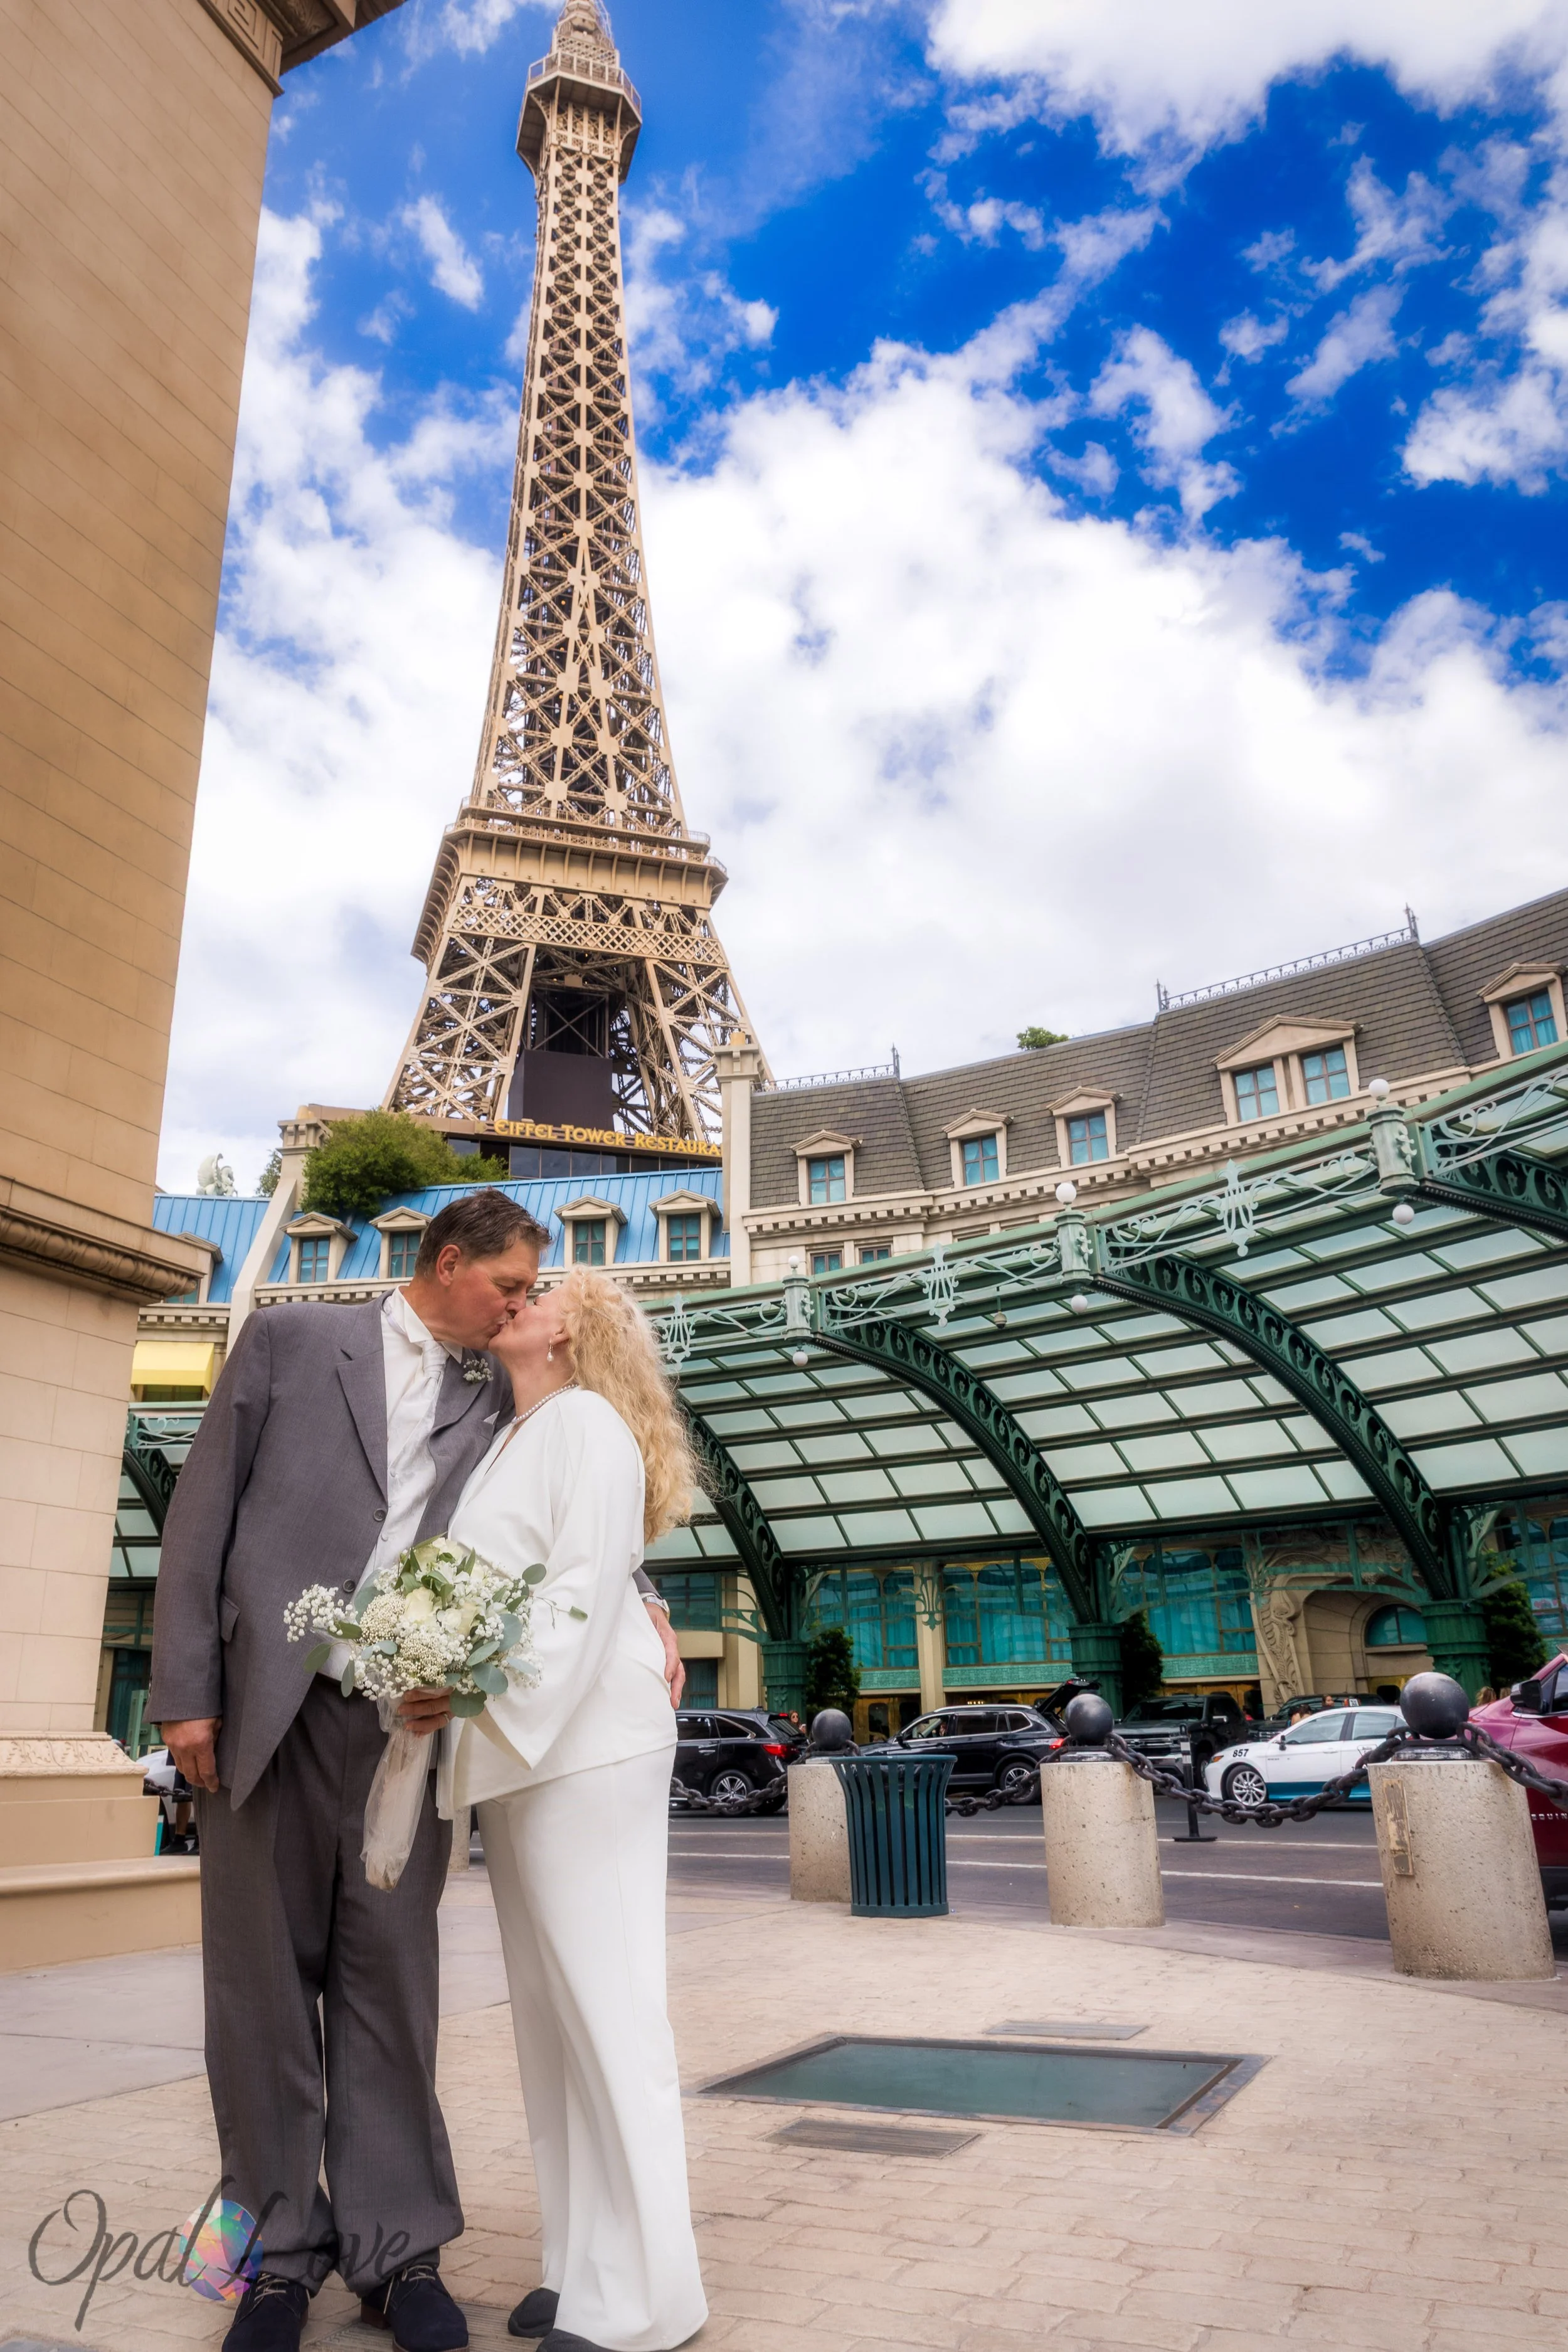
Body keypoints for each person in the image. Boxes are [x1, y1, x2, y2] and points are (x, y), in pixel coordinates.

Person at [148, 1192, 684, 2352]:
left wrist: (645, 1601)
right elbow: (200, 1514)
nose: (518, 1305)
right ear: (450, 1263)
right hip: (262, 1712)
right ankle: (271, 2265)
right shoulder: (291, 1339)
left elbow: (571, 1521)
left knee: (394, 1990)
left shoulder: (508, 1392)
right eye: (507, 1284)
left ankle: (399, 2256)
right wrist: (183, 1686)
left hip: (405, 1728)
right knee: (256, 1996)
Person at [422, 1267, 707, 2352]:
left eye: (540, 1292)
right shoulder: (519, 1429)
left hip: (583, 1741)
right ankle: (580, 2261)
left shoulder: (583, 1418)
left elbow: (582, 1587)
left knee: (608, 2004)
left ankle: (644, 2299)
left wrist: (477, 1691)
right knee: (552, 2018)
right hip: (532, 1743)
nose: (518, 1299)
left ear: (572, 1332)